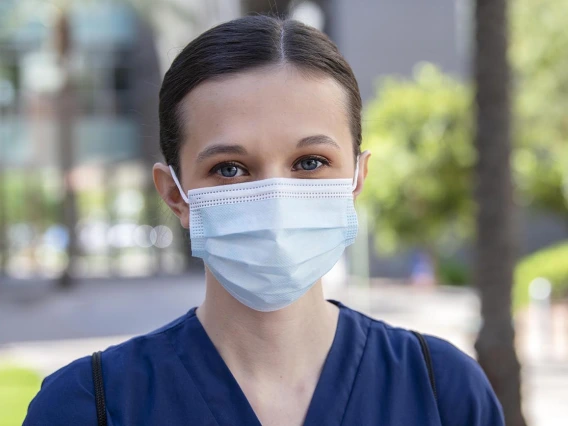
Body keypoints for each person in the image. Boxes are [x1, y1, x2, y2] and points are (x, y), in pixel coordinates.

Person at [24, 15, 504, 426]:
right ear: (175, 193)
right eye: (229, 169)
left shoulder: (443, 392)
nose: (276, 198)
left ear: (357, 176)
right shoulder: (88, 408)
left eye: (310, 161)